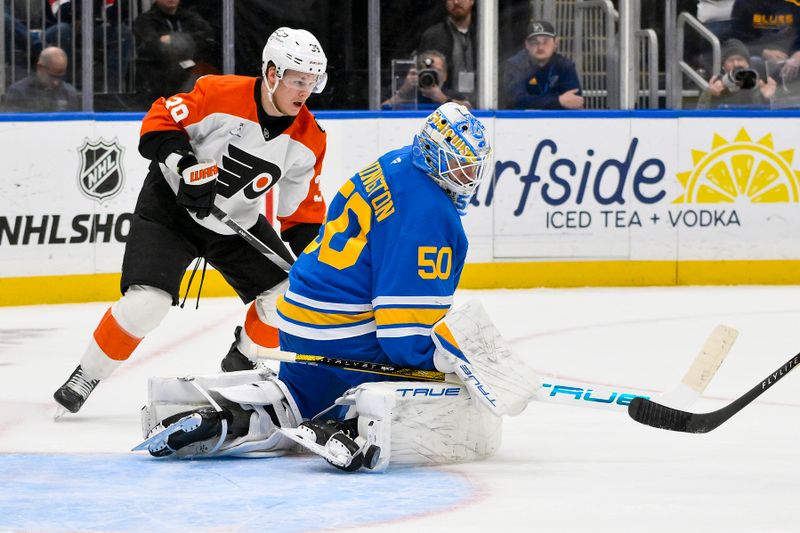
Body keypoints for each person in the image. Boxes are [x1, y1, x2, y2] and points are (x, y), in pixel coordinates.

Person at [133, 103, 537, 471]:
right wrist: (444, 362)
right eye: (458, 166)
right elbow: (402, 336)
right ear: (434, 154)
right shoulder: (432, 214)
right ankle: (345, 423)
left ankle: (233, 417)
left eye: (472, 167)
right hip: (345, 341)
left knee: (297, 398)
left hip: (297, 323)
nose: (467, 177)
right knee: (442, 385)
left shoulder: (394, 163)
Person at [52, 27, 329, 415]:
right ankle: (86, 375)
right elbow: (158, 123)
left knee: (287, 294)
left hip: (237, 225)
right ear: (271, 74)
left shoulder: (310, 137)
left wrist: (322, 263)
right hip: (172, 211)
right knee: (147, 303)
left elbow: (300, 217)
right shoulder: (219, 92)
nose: (305, 91)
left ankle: (243, 362)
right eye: (298, 80)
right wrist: (185, 166)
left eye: (312, 82)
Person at [133, 0, 216, 99]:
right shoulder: (145, 21)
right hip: (156, 84)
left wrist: (174, 40)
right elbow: (154, 47)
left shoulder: (191, 18)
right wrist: (188, 44)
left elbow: (208, 39)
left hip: (189, 78)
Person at [500, 20, 584, 110]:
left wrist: (535, 102)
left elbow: (575, 101)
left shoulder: (564, 66)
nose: (540, 47)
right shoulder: (515, 65)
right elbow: (516, 100)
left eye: (546, 42)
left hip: (556, 121)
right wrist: (558, 101)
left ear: (556, 43)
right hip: (521, 122)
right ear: (527, 44)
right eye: (534, 42)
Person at [418, 0, 476, 99]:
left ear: (472, 1)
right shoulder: (433, 36)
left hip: (482, 104)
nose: (456, 2)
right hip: (442, 104)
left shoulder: (485, 36)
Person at [697, 38, 776, 109]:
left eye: (739, 59)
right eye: (730, 60)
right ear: (723, 67)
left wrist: (766, 98)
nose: (736, 64)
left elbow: (764, 118)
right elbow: (699, 118)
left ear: (747, 64)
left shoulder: (756, 85)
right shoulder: (715, 86)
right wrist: (709, 94)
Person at [381, 50, 471, 110]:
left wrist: (443, 99)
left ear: (445, 75)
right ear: (417, 72)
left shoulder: (451, 95)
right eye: (426, 71)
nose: (430, 75)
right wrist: (403, 93)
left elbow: (470, 111)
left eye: (437, 71)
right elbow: (379, 110)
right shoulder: (404, 90)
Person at [4, 46, 79, 112]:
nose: (56, 82)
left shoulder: (69, 93)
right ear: (40, 68)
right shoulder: (18, 92)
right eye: (52, 76)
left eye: (60, 77)